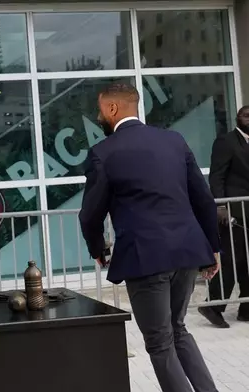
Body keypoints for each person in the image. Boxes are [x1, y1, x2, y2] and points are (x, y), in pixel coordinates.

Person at [79, 83, 221, 392]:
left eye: (100, 110)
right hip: (187, 252)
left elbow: (90, 215)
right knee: (178, 330)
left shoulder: (103, 152)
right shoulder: (174, 141)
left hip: (145, 258)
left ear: (112, 109)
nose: (98, 116)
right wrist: (213, 247)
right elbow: (204, 200)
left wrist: (97, 248)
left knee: (159, 343)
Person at [199, 106, 249, 328]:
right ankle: (212, 306)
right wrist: (221, 207)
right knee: (232, 261)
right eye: (246, 115)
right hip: (233, 213)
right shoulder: (226, 142)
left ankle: (246, 309)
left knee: (248, 260)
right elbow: (217, 177)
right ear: (238, 118)